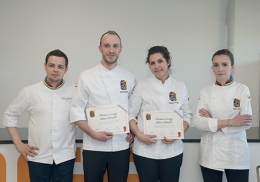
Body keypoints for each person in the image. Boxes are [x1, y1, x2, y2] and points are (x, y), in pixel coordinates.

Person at [70, 30, 135, 182]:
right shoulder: (86, 76)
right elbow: (75, 110)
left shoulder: (129, 76)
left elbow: (133, 109)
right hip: (93, 146)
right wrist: (93, 133)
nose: (111, 50)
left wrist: (133, 129)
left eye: (115, 46)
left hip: (121, 145)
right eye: (107, 46)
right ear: (100, 48)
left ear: (121, 49)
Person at [2, 49, 76, 182]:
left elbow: (88, 115)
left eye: (60, 67)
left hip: (65, 157)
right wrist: (18, 144)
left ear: (66, 69)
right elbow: (9, 115)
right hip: (38, 157)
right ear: (45, 66)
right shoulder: (30, 91)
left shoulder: (75, 91)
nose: (55, 70)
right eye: (51, 65)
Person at [128, 46, 192, 182]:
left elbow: (187, 116)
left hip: (173, 151)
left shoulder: (180, 86)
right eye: (152, 63)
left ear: (168, 61)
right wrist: (139, 136)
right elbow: (130, 115)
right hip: (145, 152)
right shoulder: (141, 86)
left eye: (160, 61)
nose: (157, 66)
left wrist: (177, 134)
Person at [194, 49, 252, 182]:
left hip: (236, 153)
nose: (220, 69)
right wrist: (231, 121)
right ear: (212, 68)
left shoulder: (242, 89)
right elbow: (198, 122)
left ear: (232, 67)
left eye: (224, 64)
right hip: (211, 154)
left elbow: (245, 123)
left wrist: (211, 121)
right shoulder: (206, 91)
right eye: (215, 65)